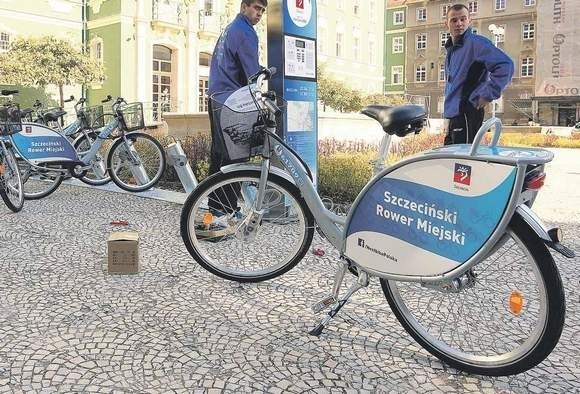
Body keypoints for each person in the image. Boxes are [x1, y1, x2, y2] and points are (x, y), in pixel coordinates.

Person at [204, 0, 266, 224]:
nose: (258, 14)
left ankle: (215, 210)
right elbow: (252, 75)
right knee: (236, 159)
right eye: (256, 8)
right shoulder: (245, 32)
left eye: (262, 10)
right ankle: (225, 213)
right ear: (244, 7)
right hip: (233, 102)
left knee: (219, 156)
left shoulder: (230, 29)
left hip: (216, 98)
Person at [443, 4, 514, 145]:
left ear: (470, 20)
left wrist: (488, 94)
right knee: (452, 160)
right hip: (455, 115)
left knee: (464, 162)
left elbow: (506, 65)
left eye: (463, 19)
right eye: (454, 20)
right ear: (447, 24)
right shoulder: (452, 49)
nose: (459, 24)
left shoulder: (476, 44)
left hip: (467, 112)